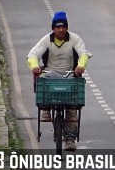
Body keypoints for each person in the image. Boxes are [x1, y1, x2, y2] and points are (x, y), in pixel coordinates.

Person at [27, 11, 92, 152]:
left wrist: (81, 66)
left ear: (67, 28)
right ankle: (45, 108)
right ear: (53, 28)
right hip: (50, 75)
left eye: (63, 27)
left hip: (70, 76)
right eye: (58, 27)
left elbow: (83, 54)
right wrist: (35, 67)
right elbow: (33, 55)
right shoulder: (46, 40)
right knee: (42, 83)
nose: (61, 30)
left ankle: (70, 139)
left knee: (71, 109)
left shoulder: (75, 39)